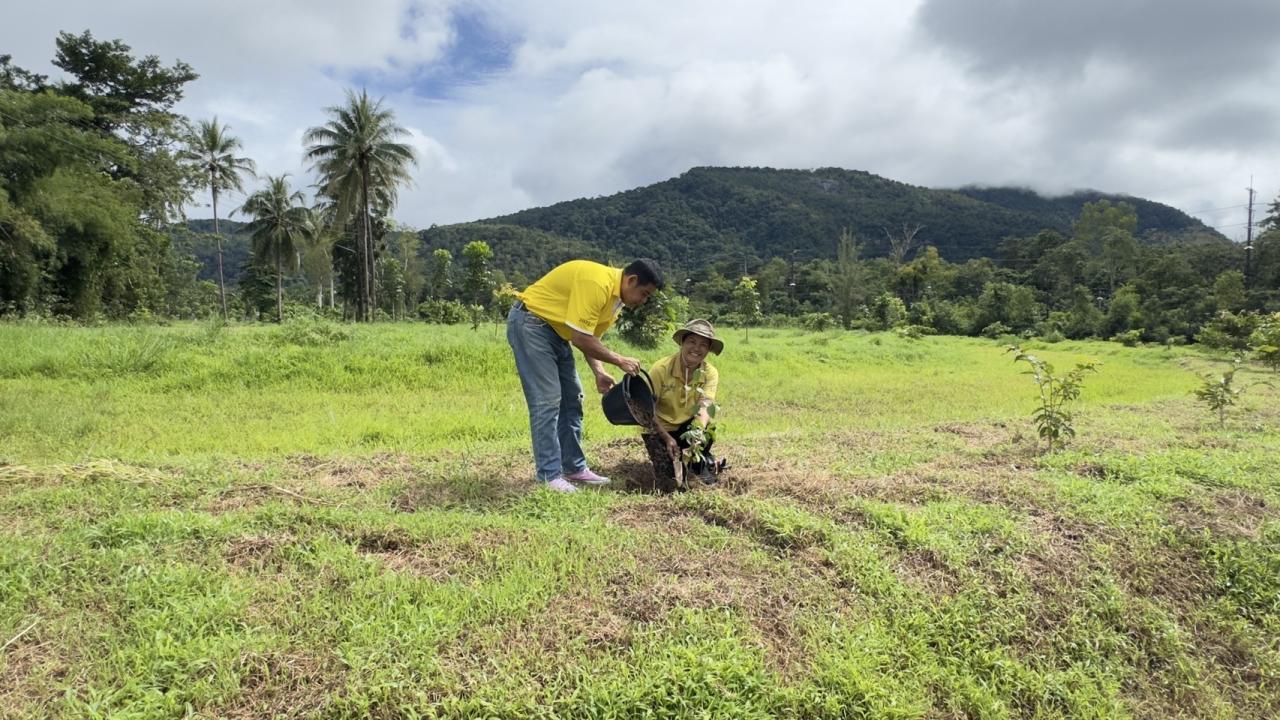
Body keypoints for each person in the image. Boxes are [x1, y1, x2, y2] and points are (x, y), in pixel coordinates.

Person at [507, 258, 664, 493]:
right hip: (532, 324)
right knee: (547, 400)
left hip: (558, 333)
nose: (643, 301)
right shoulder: (597, 283)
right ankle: (549, 476)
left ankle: (573, 468)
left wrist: (599, 371)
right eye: (644, 294)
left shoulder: (616, 302)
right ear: (631, 280)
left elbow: (589, 337)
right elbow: (581, 338)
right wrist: (619, 360)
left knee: (573, 398)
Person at [643, 319, 727, 488]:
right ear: (682, 342)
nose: (697, 348)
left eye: (703, 344)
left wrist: (697, 434)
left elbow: (705, 405)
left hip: (687, 427)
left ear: (709, 349)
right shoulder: (661, 369)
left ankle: (701, 463)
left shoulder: (709, 373)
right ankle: (697, 462)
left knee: (709, 425)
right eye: (692, 342)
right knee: (669, 481)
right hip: (659, 427)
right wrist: (666, 438)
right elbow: (646, 411)